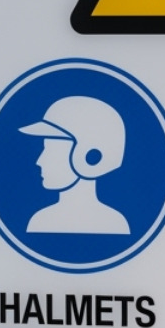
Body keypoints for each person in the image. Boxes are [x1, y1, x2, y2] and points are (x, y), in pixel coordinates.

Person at [20, 96, 130, 235]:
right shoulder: (39, 221)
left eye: (51, 149)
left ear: (90, 157)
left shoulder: (115, 224)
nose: (39, 161)